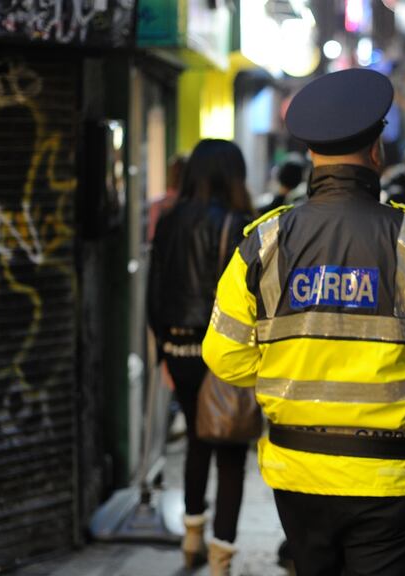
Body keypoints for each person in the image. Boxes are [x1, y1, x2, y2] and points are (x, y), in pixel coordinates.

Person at [202, 68, 405, 576]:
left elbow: (224, 354)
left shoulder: (264, 243)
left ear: (312, 155)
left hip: (298, 472)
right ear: (377, 153)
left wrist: (287, 374)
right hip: (391, 476)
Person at [146, 139, 254, 575]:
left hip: (177, 349)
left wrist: (162, 353)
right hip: (220, 354)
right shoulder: (236, 223)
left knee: (196, 439)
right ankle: (220, 557)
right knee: (231, 451)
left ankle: (192, 536)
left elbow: (154, 293)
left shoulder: (169, 221)